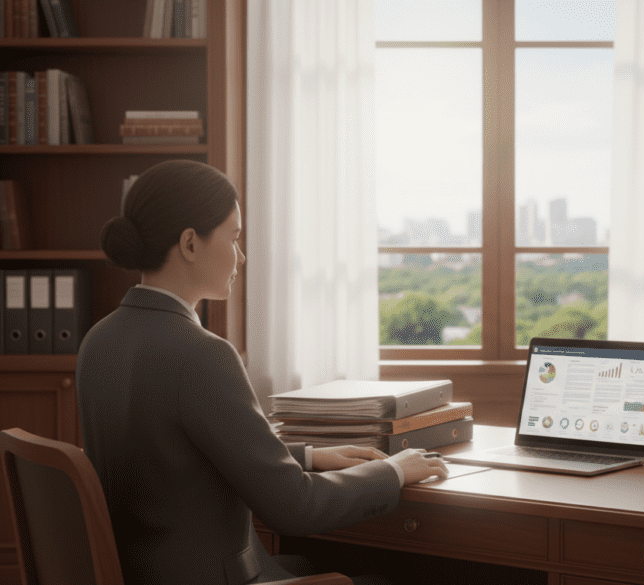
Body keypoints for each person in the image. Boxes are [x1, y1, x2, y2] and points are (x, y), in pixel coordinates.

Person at [77, 160, 447, 585]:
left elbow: (175, 460)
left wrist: (307, 455)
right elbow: (296, 507)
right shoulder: (202, 355)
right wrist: (394, 470)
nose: (242, 256)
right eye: (234, 238)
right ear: (190, 244)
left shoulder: (98, 342)